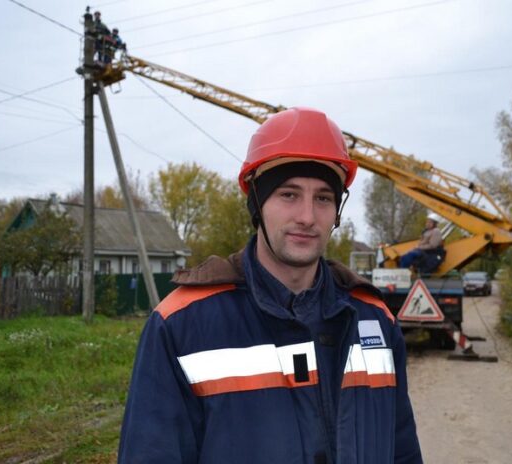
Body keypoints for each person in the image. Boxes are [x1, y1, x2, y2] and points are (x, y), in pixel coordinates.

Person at [118, 107, 423, 464]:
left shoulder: (375, 319)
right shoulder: (181, 325)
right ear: (256, 202)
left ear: (337, 211)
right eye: (289, 194)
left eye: (323, 198)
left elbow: (403, 450)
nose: (307, 217)